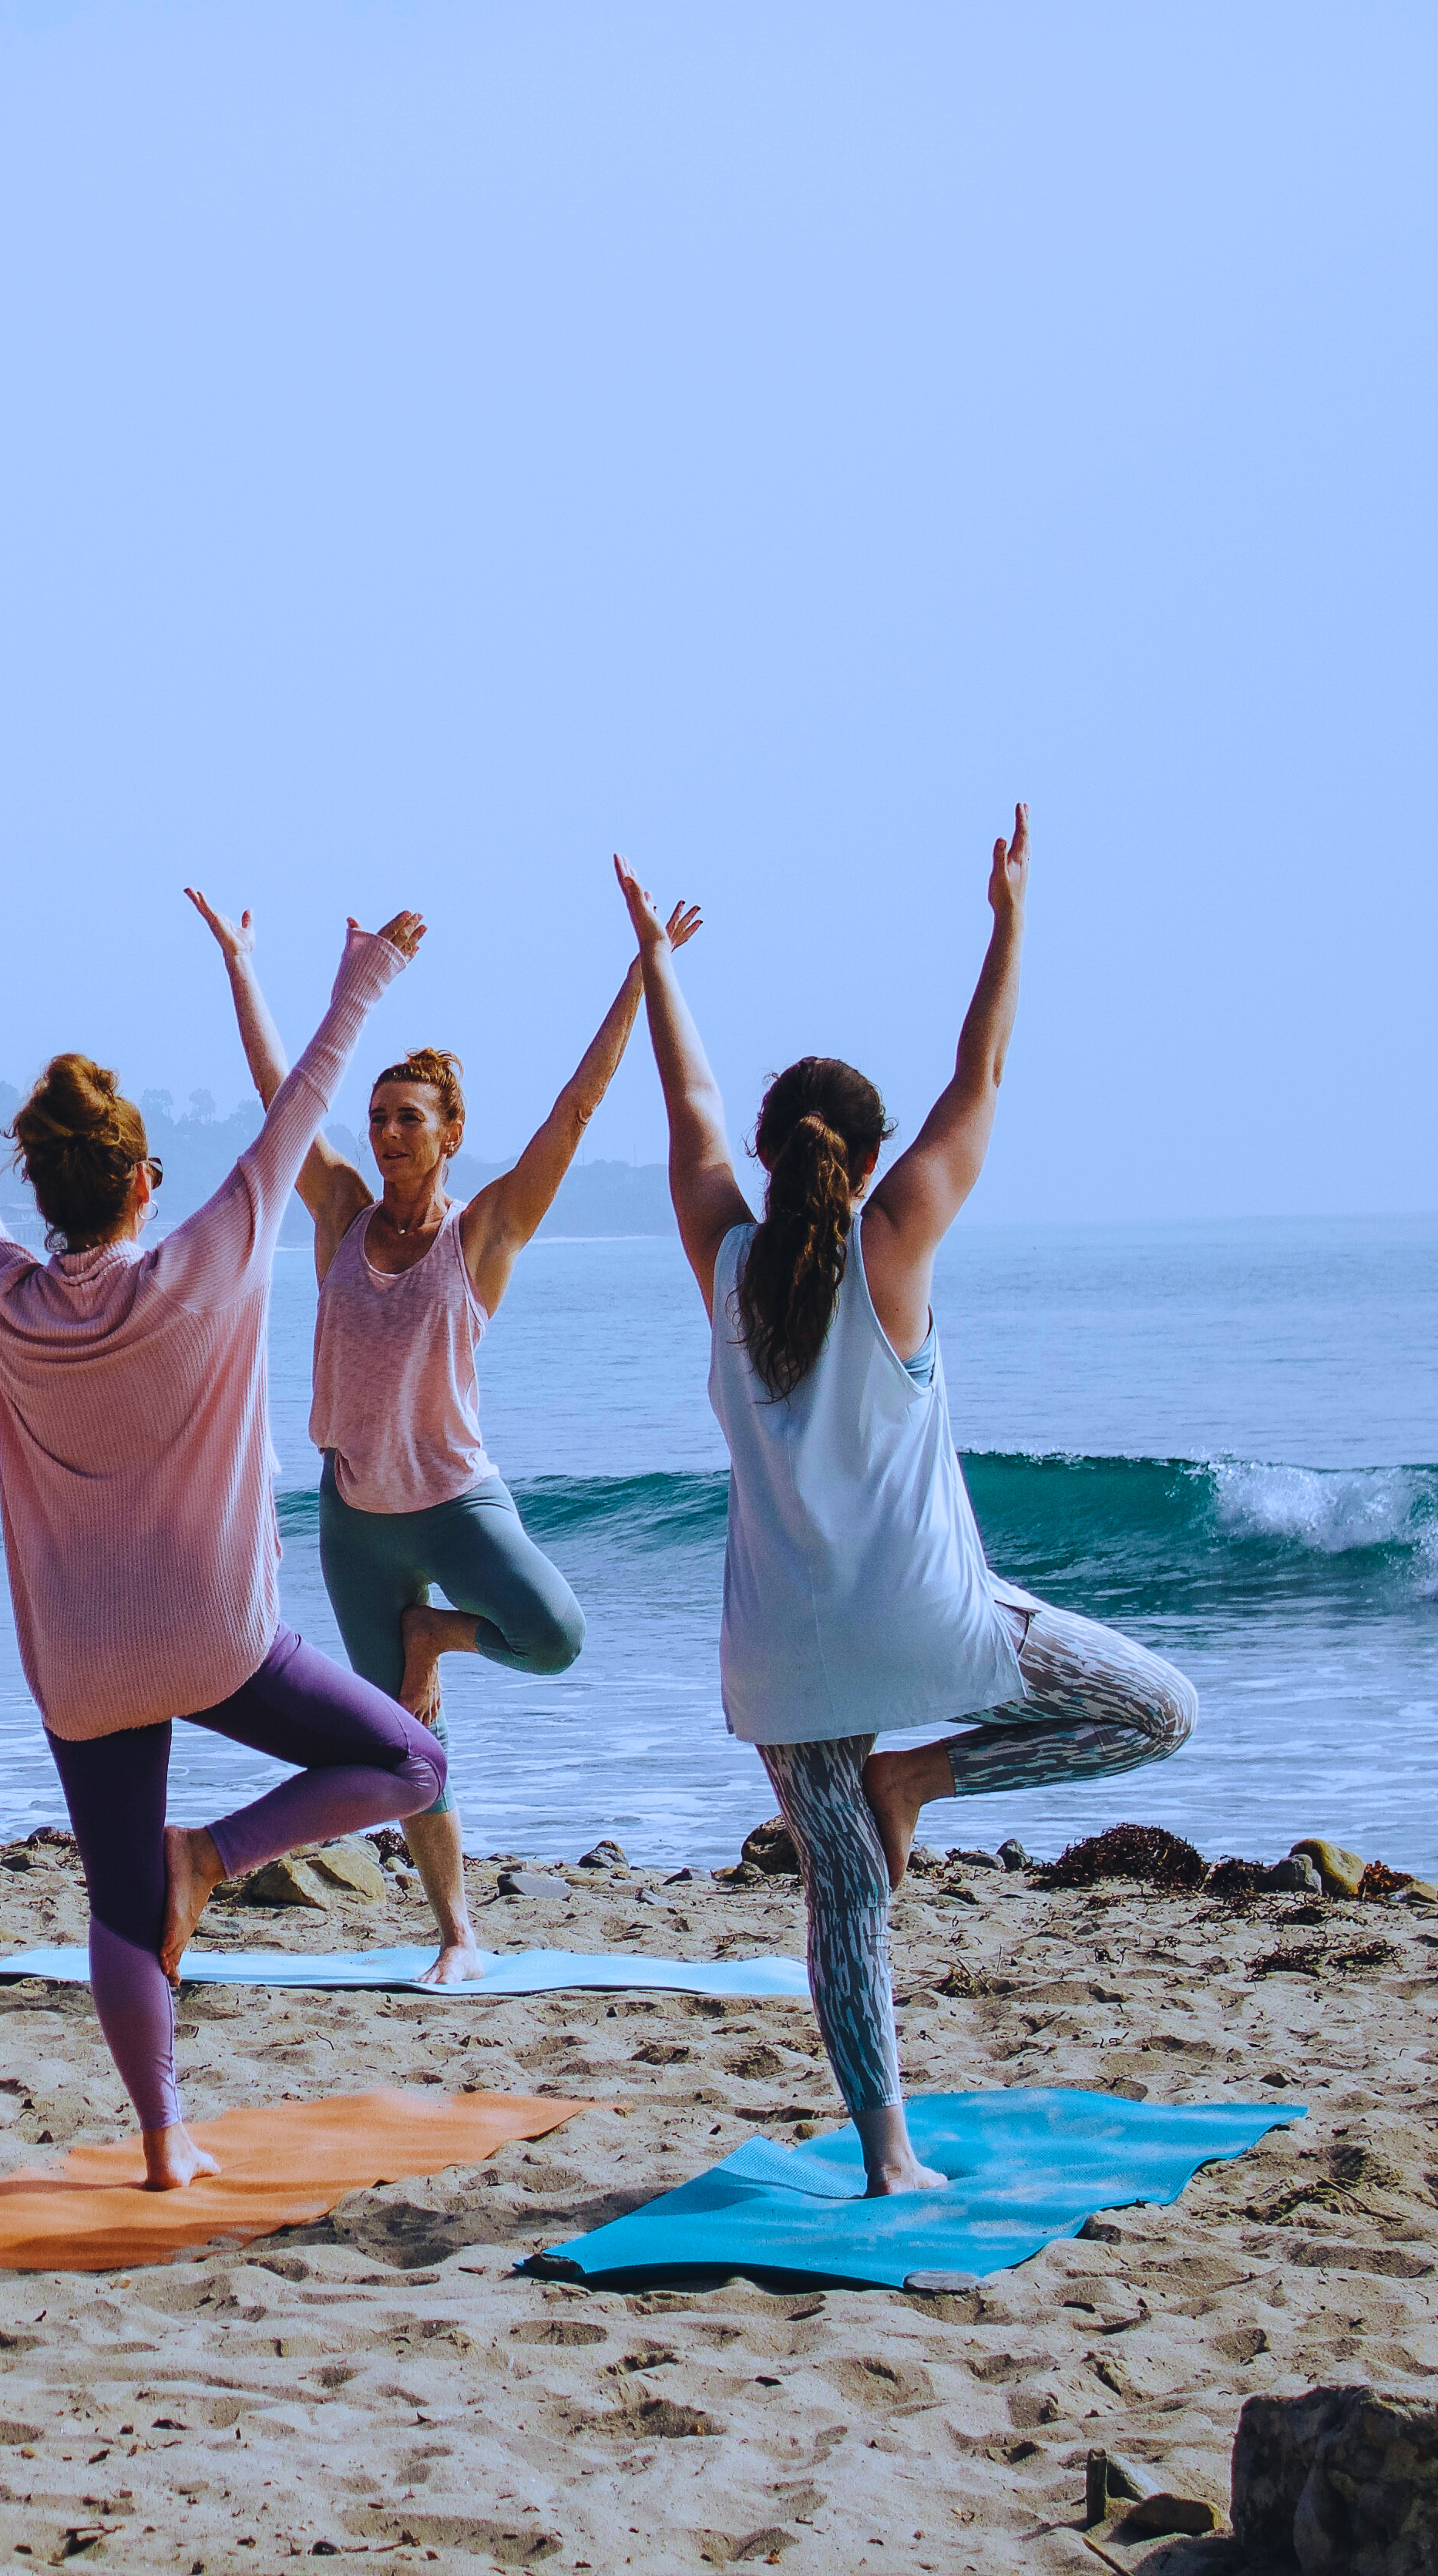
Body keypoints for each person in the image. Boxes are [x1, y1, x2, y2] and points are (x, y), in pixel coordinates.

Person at [618, 811, 1195, 2194]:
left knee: (846, 1903)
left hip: (784, 1656)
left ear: (768, 1159)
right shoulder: (899, 1244)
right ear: (867, 1161)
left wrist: (658, 964)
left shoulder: (727, 1261)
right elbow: (980, 1071)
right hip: (934, 1626)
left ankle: (889, 2160)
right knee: (1160, 1713)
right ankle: (925, 1773)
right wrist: (1007, 919)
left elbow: (685, 1112)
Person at [0, 914, 449, 2191]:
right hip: (217, 1639)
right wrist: (364, 979)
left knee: (117, 1909)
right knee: (410, 1760)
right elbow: (304, 1105)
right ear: (142, 1183)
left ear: (48, 1197)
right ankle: (212, 1857)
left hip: (83, 1663)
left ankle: (164, 2149)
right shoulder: (205, 1263)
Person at [185, 886, 701, 1980]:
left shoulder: (487, 1233)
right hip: (356, 1520)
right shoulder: (335, 1215)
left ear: (451, 1133)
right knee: (410, 1755)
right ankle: (458, 1932)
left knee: (554, 1636)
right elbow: (286, 1094)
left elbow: (577, 1109)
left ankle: (438, 1637)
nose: (384, 1134)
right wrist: (241, 962)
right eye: (377, 1117)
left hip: (459, 1505)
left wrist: (639, 973)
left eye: (407, 1118)